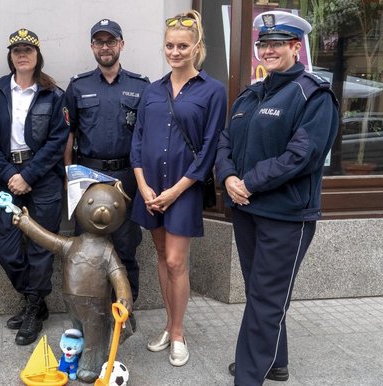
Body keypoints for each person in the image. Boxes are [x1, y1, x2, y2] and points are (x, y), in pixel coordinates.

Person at [214, 11, 339, 385]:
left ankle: (249, 376)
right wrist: (228, 176)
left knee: (267, 299)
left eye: (276, 44)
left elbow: (302, 156)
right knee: (261, 292)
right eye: (263, 44)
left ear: (295, 47)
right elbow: (224, 142)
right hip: (247, 210)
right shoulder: (251, 95)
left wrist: (247, 182)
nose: (268, 50)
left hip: (286, 216)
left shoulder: (313, 95)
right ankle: (276, 361)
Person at [130, 10, 227, 367]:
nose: (175, 51)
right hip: (151, 188)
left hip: (183, 190)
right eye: (170, 45)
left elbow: (209, 149)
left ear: (196, 47)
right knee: (160, 256)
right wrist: (142, 186)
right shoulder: (152, 91)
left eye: (182, 46)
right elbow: (137, 140)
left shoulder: (213, 91)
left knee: (175, 260)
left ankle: (178, 332)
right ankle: (169, 326)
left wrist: (176, 191)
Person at [0, 28, 69, 346]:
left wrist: (28, 175)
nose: (22, 54)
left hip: (42, 179)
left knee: (41, 245)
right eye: (16, 50)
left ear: (37, 56)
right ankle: (37, 300)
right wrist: (7, 172)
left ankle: (32, 308)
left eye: (28, 50)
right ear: (10, 56)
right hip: (6, 175)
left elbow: (58, 141)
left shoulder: (54, 95)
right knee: (5, 244)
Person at [64, 19, 149, 317]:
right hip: (88, 178)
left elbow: (146, 136)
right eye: (99, 42)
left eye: (110, 41)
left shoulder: (141, 86)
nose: (105, 47)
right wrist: (69, 177)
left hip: (127, 177)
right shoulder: (78, 86)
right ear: (92, 47)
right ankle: (89, 313)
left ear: (121, 44)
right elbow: (69, 133)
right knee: (87, 251)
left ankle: (125, 314)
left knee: (126, 248)